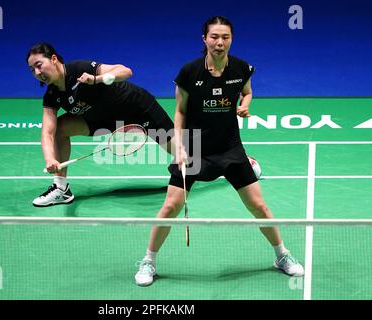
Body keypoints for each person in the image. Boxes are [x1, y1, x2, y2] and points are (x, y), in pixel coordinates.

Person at [134, 16, 304, 286]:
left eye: (225, 37)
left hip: (230, 147)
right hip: (195, 148)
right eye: (214, 37)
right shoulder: (189, 73)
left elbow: (246, 92)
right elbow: (180, 111)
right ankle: (148, 261)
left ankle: (281, 255)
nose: (219, 42)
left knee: (259, 205)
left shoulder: (240, 68)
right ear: (205, 39)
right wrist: (178, 146)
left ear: (231, 39)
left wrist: (245, 105)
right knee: (170, 207)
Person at [26, 43, 174, 207]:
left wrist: (97, 79)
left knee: (185, 156)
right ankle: (61, 189)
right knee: (60, 128)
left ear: (53, 59)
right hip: (102, 119)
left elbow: (126, 71)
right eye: (32, 70)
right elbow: (47, 132)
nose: (37, 73)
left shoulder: (79, 69)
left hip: (137, 108)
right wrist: (50, 159)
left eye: (39, 65)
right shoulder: (52, 95)